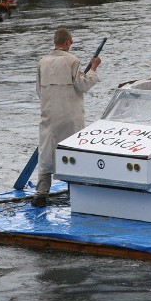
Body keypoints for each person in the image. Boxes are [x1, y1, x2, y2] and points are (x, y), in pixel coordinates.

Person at [33, 28, 101, 207]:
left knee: (46, 155)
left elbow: (39, 91)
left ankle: (40, 194)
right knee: (73, 153)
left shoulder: (42, 62)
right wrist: (93, 68)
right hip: (70, 115)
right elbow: (83, 85)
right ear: (68, 42)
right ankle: (75, 192)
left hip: (48, 115)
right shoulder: (73, 60)